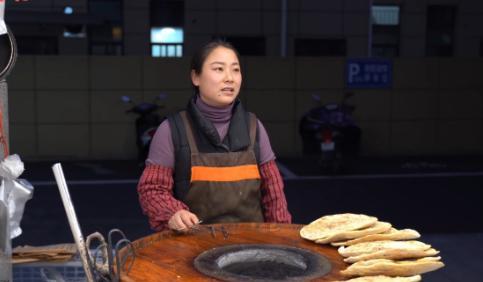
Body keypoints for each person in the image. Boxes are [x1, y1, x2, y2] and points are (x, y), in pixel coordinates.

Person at [137, 40, 291, 232]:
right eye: (219, 69)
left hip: (252, 248)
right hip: (192, 248)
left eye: (235, 70)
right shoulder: (171, 130)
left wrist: (284, 239)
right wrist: (173, 213)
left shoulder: (254, 127)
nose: (230, 78)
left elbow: (274, 196)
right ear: (196, 77)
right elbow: (152, 189)